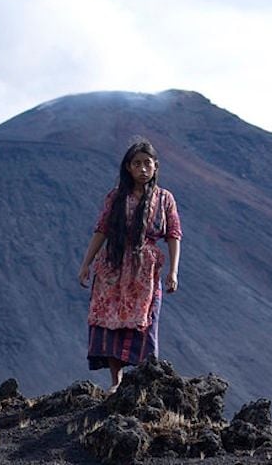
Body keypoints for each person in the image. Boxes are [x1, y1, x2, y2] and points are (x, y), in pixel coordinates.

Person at [78, 139, 182, 392]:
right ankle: (117, 382)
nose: (143, 169)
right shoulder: (116, 197)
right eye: (137, 164)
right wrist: (86, 264)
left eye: (148, 163)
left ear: (156, 167)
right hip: (113, 266)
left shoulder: (165, 199)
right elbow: (102, 230)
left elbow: (174, 234)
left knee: (147, 319)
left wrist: (173, 272)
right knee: (109, 320)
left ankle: (147, 383)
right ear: (128, 168)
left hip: (145, 271)